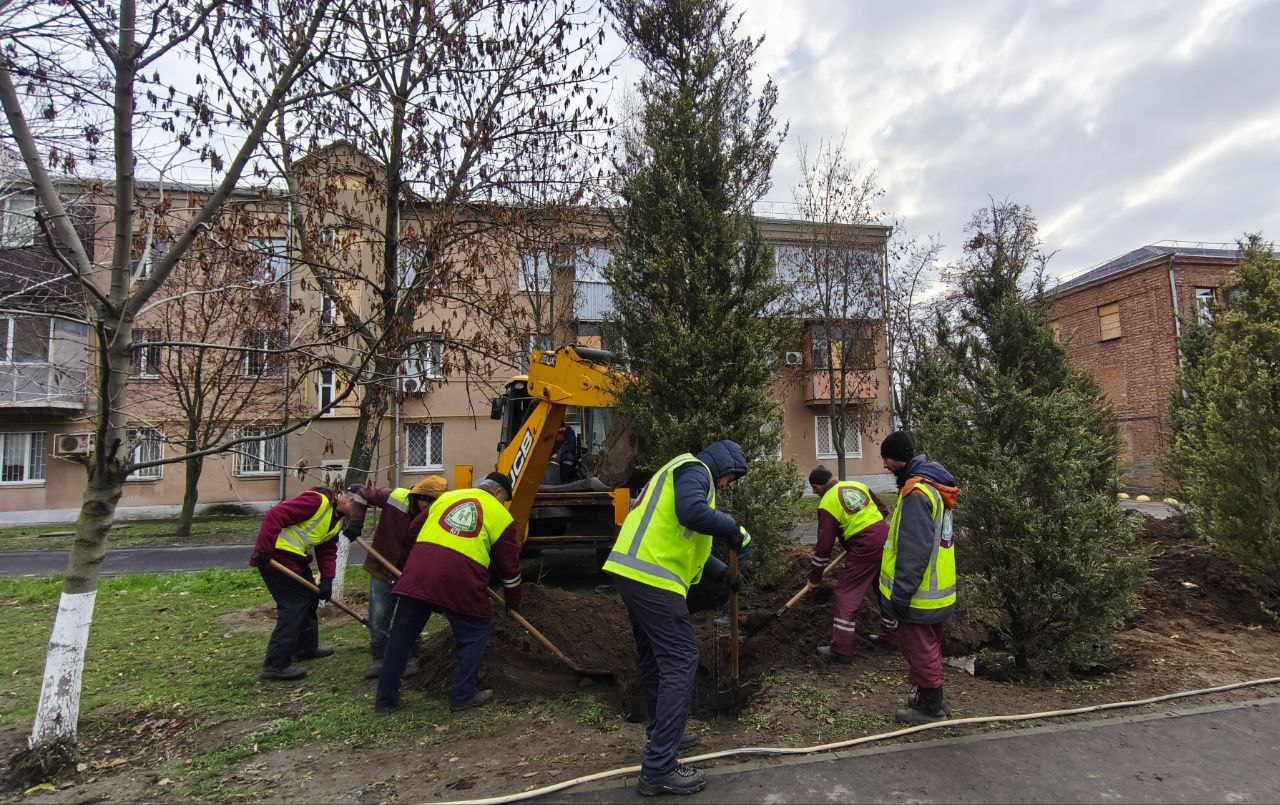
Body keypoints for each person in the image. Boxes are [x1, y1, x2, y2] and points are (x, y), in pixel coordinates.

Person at [602, 440, 747, 797]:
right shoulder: (695, 470)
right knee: (681, 659)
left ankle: (664, 733)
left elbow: (686, 539)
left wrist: (723, 574)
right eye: (731, 477)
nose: (728, 485)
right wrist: (731, 526)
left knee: (654, 659)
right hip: (653, 577)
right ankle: (659, 768)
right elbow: (691, 513)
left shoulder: (681, 474)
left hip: (633, 572)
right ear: (723, 466)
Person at [373, 472, 522, 715]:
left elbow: (413, 531)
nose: (503, 503)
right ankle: (463, 695)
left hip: (418, 573)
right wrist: (513, 601)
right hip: (460, 578)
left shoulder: (446, 498)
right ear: (497, 494)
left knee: (401, 636)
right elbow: (509, 568)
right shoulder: (501, 515)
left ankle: (385, 700)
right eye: (504, 498)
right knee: (476, 631)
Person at [877, 431, 960, 724]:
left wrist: (902, 592)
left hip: (920, 592)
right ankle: (930, 697)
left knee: (918, 646)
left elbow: (914, 548)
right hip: (938, 587)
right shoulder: (935, 487)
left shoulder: (916, 493)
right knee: (928, 644)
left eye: (886, 458)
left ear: (897, 458)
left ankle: (930, 705)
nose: (885, 466)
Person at [250, 484, 367, 681]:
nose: (355, 509)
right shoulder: (317, 501)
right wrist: (263, 550)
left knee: (310, 599)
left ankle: (305, 648)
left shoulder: (337, 520)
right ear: (341, 495)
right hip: (275, 558)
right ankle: (275, 664)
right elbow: (275, 515)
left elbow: (327, 550)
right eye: (354, 503)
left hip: (295, 559)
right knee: (293, 606)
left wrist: (328, 580)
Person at [358, 475, 449, 680]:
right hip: (383, 568)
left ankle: (410, 658)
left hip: (412, 574)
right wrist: (356, 522)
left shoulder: (437, 514)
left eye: (433, 502)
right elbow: (361, 491)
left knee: (410, 616)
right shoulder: (395, 498)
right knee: (379, 615)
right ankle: (379, 658)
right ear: (417, 496)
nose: (427, 506)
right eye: (425, 500)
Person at [804, 466, 895, 664]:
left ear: (817, 487)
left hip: (865, 546)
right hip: (885, 539)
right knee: (883, 589)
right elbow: (883, 510)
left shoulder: (827, 502)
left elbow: (824, 546)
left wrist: (814, 578)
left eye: (814, 489)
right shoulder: (857, 485)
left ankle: (841, 649)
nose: (813, 493)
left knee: (846, 593)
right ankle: (892, 637)